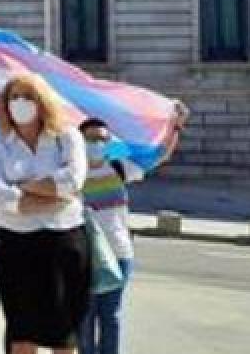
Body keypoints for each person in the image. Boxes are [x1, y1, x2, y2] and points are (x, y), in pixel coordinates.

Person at [0, 73, 90, 354]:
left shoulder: (67, 138)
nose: (20, 103)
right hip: (17, 248)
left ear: (43, 102)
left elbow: (73, 180)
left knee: (63, 337)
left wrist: (21, 188)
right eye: (14, 98)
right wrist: (50, 195)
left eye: (28, 97)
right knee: (21, 336)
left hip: (63, 244)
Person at [77, 104, 188, 354]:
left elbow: (160, 155)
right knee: (84, 319)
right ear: (80, 140)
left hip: (118, 254)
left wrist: (175, 126)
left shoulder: (119, 167)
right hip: (83, 256)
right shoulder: (72, 172)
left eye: (102, 139)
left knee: (110, 317)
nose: (97, 143)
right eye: (91, 138)